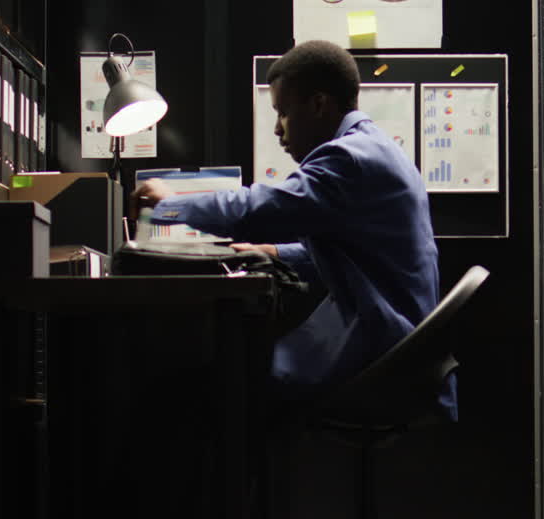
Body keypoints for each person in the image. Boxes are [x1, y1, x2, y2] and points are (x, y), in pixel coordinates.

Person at [132, 39, 456, 418]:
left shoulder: (347, 159)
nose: (277, 129)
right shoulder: (375, 147)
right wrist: (275, 253)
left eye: (283, 113)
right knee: (228, 377)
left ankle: (230, 476)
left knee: (204, 384)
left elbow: (258, 209)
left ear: (319, 105)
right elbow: (363, 255)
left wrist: (170, 205)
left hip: (380, 348)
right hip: (396, 343)